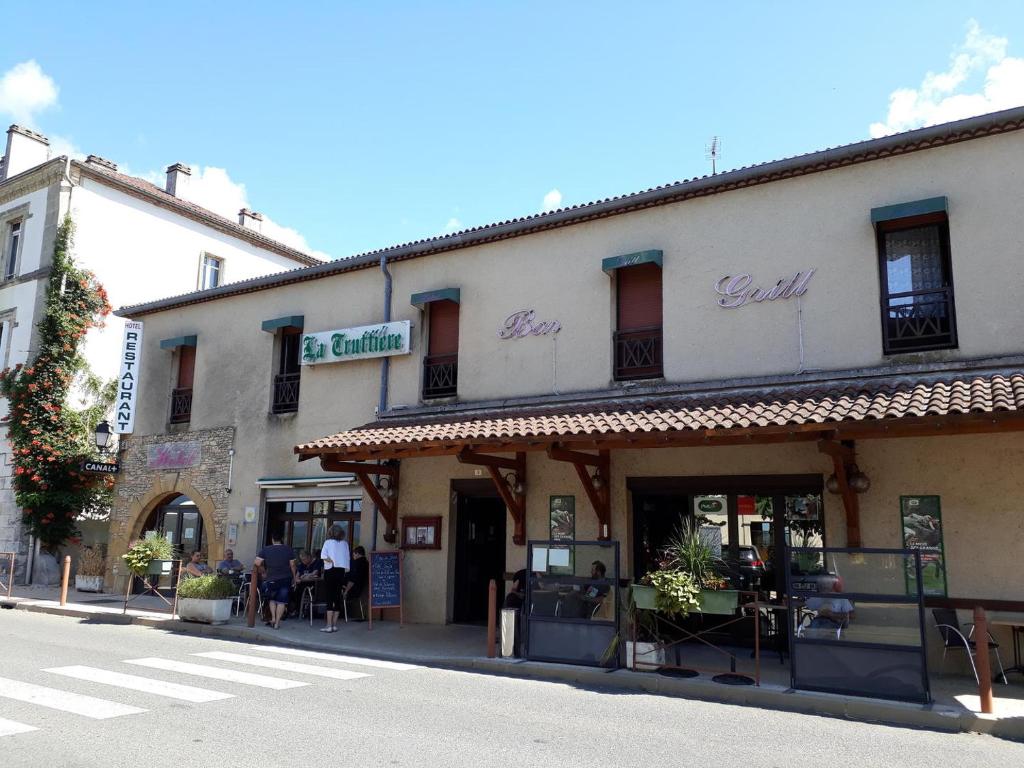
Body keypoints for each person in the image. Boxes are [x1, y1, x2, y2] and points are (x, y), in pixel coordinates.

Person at [254, 529, 297, 629]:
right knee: (282, 601)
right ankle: (277, 623)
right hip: (285, 578)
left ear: (272, 539)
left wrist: (263, 571)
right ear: (282, 539)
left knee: (272, 599)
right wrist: (294, 578)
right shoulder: (288, 549)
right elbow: (293, 565)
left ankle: (273, 618)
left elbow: (257, 563)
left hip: (271, 578)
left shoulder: (266, 549)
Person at [319, 524, 350, 633]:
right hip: (341, 571)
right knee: (337, 597)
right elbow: (347, 558)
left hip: (330, 570)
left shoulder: (328, 542)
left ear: (330, 533)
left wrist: (331, 561)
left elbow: (323, 556)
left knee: (329, 597)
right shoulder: (345, 544)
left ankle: (328, 625)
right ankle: (334, 625)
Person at [289, 550, 323, 617]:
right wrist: (297, 579)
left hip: (312, 586)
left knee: (299, 591)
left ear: (309, 557)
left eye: (304, 559)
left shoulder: (317, 562)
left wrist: (306, 575)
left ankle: (298, 611)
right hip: (302, 585)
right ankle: (291, 610)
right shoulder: (302, 564)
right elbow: (297, 576)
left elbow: (315, 573)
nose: (303, 561)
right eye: (301, 560)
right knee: (291, 591)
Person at [343, 546, 369, 620]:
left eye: (354, 555)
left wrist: (346, 591)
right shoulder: (366, 563)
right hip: (360, 589)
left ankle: (333, 613)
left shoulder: (357, 564)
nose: (353, 557)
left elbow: (352, 580)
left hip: (353, 590)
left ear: (357, 554)